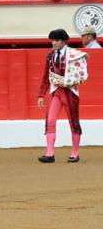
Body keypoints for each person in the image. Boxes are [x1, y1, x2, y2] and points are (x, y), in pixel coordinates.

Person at [36, 29, 86, 163]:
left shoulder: (75, 55)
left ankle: (75, 153)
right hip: (56, 92)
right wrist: (41, 95)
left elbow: (83, 75)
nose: (54, 43)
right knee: (50, 121)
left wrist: (67, 81)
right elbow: (46, 76)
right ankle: (50, 154)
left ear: (64, 41)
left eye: (57, 40)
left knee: (73, 122)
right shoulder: (50, 56)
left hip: (70, 93)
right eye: (53, 40)